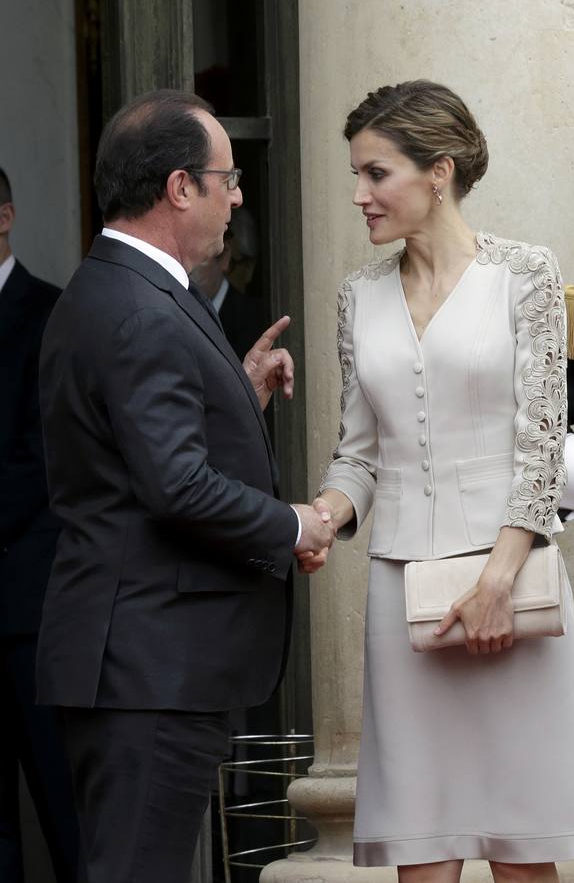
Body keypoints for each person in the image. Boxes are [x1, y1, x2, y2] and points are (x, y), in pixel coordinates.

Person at [311, 79, 574, 883]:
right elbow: (359, 454)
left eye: (376, 173)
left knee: (520, 855)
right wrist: (324, 514)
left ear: (438, 171)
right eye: (357, 175)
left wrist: (498, 580)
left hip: (515, 588)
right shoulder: (356, 298)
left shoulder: (527, 275)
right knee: (423, 855)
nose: (359, 195)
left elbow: (543, 439)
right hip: (402, 600)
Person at [36, 89, 332, 883]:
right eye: (226, 179)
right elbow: (174, 486)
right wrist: (291, 525)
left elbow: (134, 452)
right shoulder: (142, 308)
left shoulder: (117, 288)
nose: (238, 196)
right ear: (179, 187)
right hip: (149, 666)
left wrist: (235, 393)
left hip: (140, 662)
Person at [0, 166, 81, 882]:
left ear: (6, 217)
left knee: (62, 804)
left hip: (28, 606)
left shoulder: (48, 311)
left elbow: (43, 456)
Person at [189, 223, 268, 361]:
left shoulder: (255, 321)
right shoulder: (171, 311)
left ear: (225, 256)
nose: (186, 269)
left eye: (199, 258)